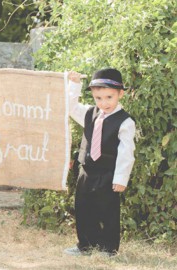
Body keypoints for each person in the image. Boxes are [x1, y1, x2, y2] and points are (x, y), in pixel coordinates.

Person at [64, 68, 136, 256]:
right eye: (99, 98)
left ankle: (108, 248)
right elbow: (70, 107)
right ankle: (85, 245)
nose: (104, 103)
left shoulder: (125, 122)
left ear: (120, 93)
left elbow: (126, 152)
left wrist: (121, 178)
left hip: (108, 173)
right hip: (86, 171)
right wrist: (74, 85)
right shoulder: (89, 113)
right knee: (83, 208)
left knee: (108, 210)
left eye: (109, 97)